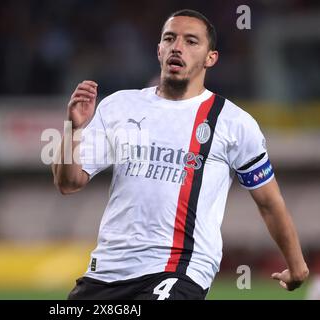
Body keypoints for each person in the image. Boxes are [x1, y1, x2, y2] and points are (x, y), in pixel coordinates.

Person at [52, 9, 309, 300]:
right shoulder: (119, 106)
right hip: (107, 271)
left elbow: (269, 202)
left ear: (210, 58)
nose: (177, 47)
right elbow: (68, 183)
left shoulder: (233, 123)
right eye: (170, 38)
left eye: (191, 41)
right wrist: (73, 129)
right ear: (159, 50)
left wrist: (297, 266)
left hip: (180, 270)